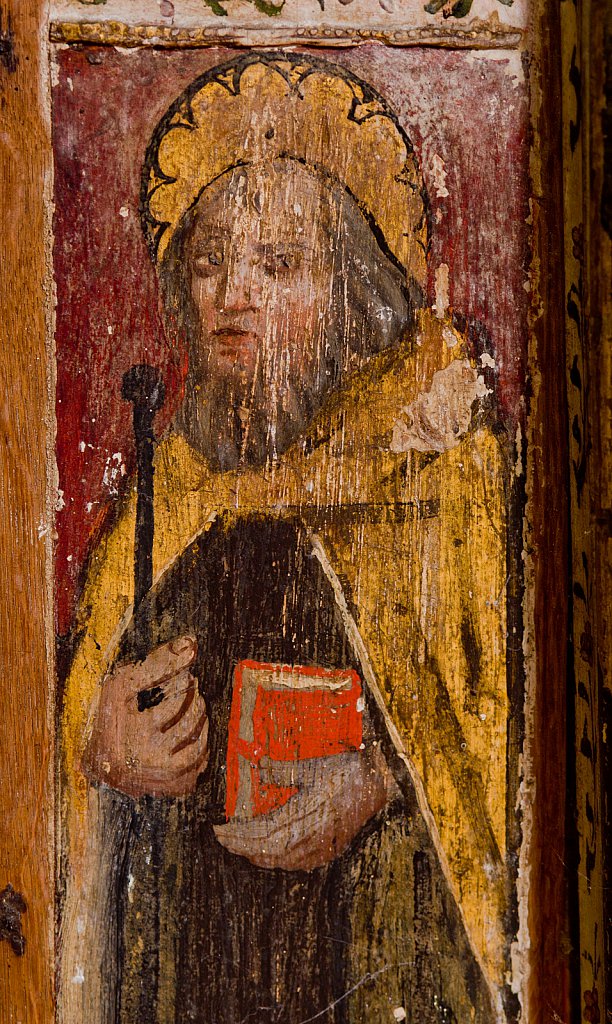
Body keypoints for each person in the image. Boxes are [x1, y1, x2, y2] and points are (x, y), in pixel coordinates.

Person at [60, 54, 509, 1024]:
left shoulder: (443, 470)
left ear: (351, 287)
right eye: (212, 259)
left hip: (381, 955)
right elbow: (80, 705)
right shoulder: (169, 490)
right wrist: (102, 741)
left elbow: (501, 723)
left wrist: (382, 777)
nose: (234, 296)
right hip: (195, 963)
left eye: (278, 263)